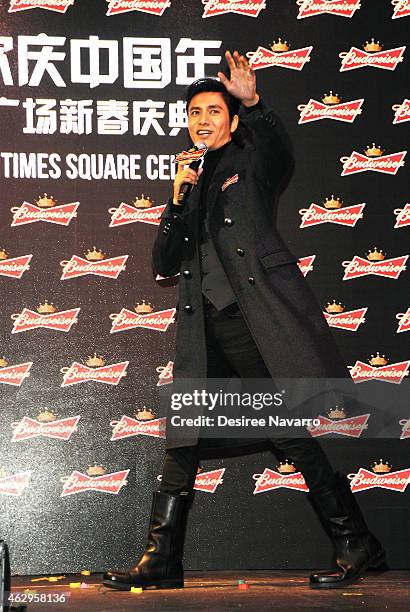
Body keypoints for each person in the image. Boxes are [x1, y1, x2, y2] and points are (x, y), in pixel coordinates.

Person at [104, 50, 385, 591]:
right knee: (182, 438)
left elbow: (280, 152)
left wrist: (254, 103)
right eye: (194, 114)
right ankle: (162, 560)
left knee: (287, 432)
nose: (202, 120)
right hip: (203, 331)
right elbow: (163, 265)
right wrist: (175, 200)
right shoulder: (191, 177)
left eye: (214, 110)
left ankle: (356, 541)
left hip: (249, 322)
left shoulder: (252, 160)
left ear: (230, 119)